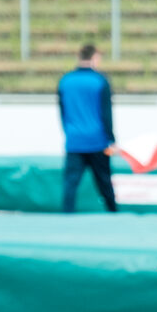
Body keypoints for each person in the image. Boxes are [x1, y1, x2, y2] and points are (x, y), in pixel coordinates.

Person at [56, 43, 118, 213]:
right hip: (98, 141)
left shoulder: (65, 81)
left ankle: (66, 217)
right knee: (105, 183)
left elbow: (62, 111)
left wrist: (69, 132)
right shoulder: (99, 80)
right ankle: (114, 215)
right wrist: (111, 139)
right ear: (94, 58)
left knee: (70, 185)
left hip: (74, 140)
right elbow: (106, 113)